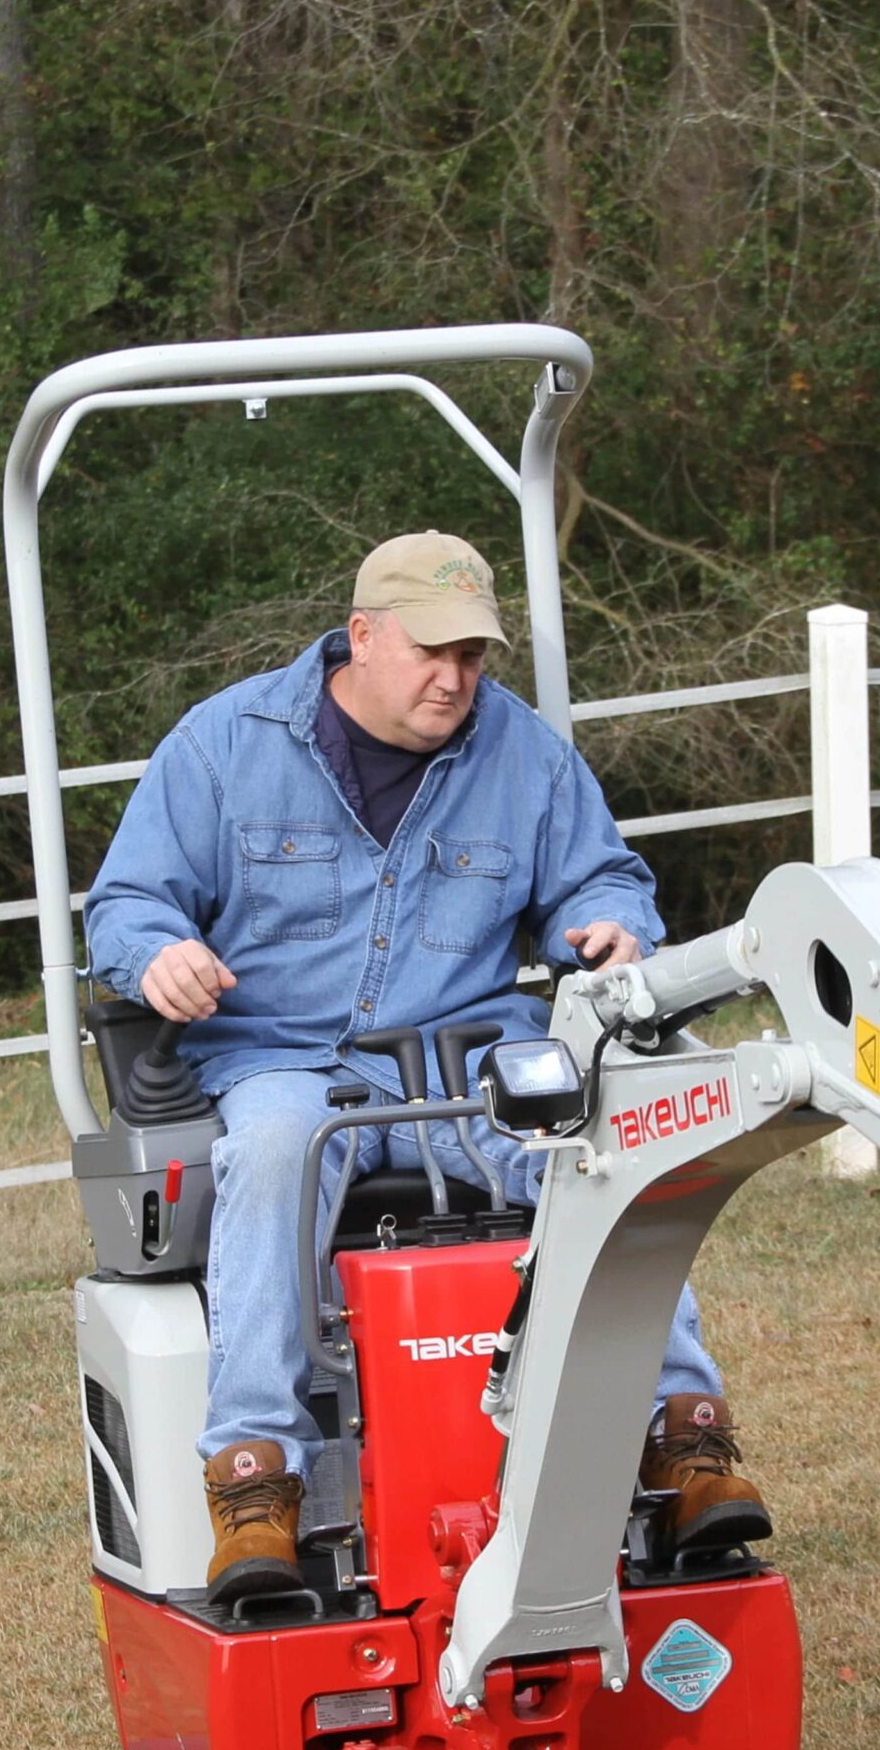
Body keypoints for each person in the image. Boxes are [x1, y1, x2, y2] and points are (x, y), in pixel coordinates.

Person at [83, 532, 769, 1602]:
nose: (455, 679)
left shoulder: (527, 754)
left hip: (469, 1056)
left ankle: (681, 1437)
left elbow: (603, 878)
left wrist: (608, 924)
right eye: (432, 653)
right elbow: (128, 903)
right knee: (271, 1150)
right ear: (362, 636)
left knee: (599, 1138)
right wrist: (158, 952)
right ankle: (254, 1483)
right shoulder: (224, 744)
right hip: (284, 1055)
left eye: (475, 658)